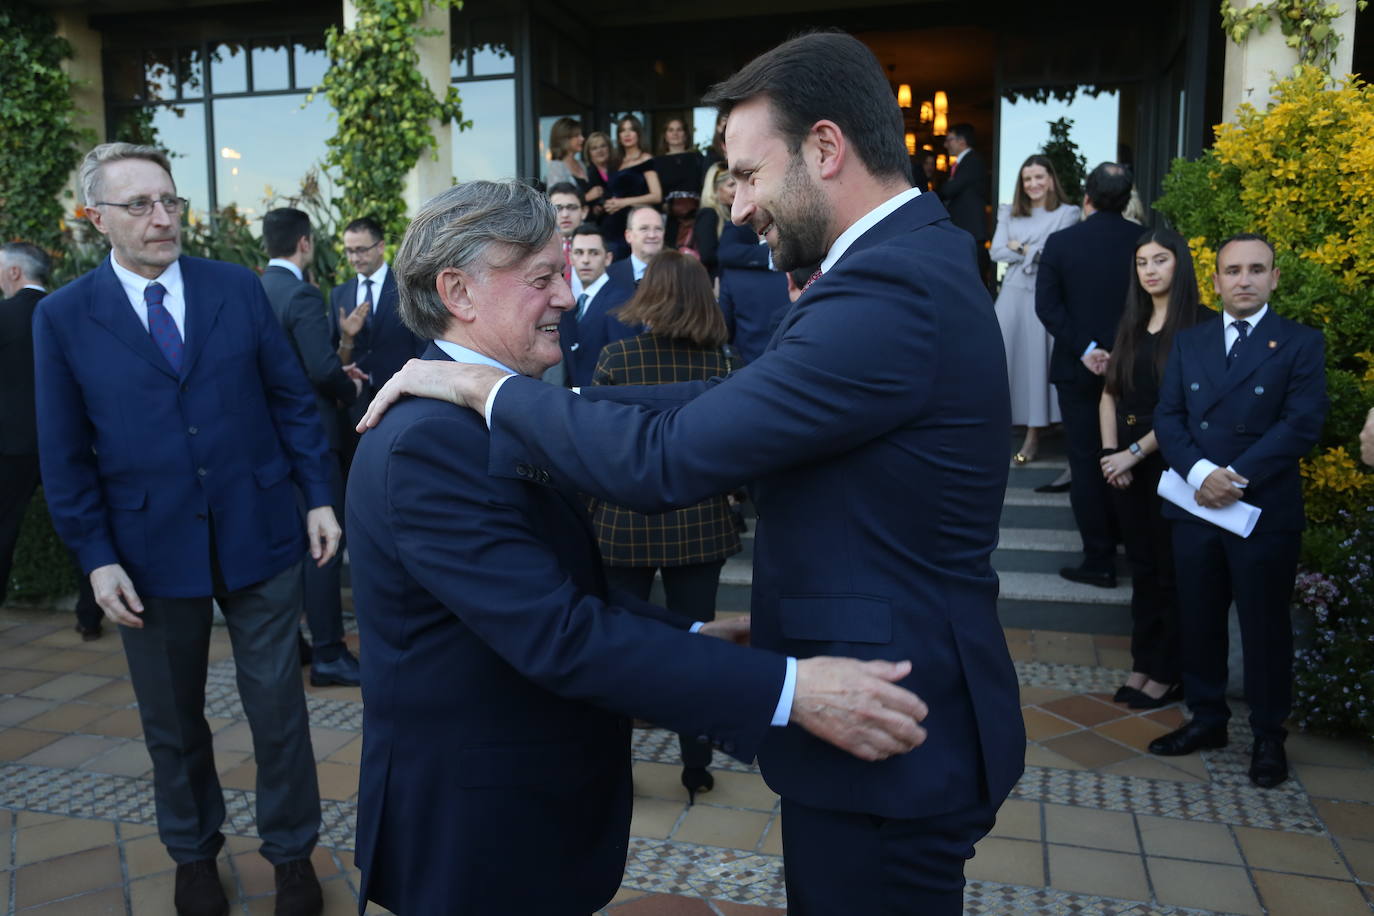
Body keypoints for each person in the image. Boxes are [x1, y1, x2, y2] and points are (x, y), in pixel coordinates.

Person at [360, 31, 1025, 914]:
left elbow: (671, 456)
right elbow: (562, 621)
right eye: (542, 276)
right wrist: (740, 665)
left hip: (891, 722)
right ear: (457, 292)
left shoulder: (886, 286)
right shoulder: (425, 441)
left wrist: (488, 388)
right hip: (479, 831)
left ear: (825, 148)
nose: (736, 206)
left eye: (746, 175)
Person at [34, 142, 337, 916]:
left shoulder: (235, 289)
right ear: (94, 218)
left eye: (169, 200)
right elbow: (64, 453)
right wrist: (95, 557)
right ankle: (194, 853)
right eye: (138, 205)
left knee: (278, 709)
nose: (162, 217)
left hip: (262, 530)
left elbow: (293, 401)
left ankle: (291, 856)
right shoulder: (63, 317)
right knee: (172, 720)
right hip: (145, 553)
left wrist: (317, 496)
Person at [1149, 233, 1328, 789]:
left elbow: (1300, 425)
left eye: (1256, 269)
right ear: (1217, 279)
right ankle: (1207, 720)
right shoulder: (1190, 341)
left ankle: (1269, 736)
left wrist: (1235, 477)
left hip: (1262, 509)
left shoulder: (1300, 342)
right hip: (1196, 504)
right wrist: (1202, 475)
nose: (1244, 279)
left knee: (1264, 627)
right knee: (1199, 619)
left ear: (1274, 277)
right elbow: (1169, 415)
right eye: (1233, 270)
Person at [591, 250, 744, 801]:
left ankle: (610, 764)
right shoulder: (723, 366)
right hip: (699, 522)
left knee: (615, 648)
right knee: (698, 646)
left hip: (621, 521)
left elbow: (597, 449)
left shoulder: (616, 358)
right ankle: (697, 763)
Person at [1097, 229, 1209, 710]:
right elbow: (1109, 394)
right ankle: (1143, 665)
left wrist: (1133, 453)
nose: (1150, 270)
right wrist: (1110, 455)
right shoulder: (1132, 321)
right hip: (1125, 463)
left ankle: (1168, 672)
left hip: (1170, 461)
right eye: (1142, 262)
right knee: (1141, 569)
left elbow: (1181, 409)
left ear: (1179, 265)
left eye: (1160, 260)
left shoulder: (1199, 325)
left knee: (1169, 572)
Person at [260, 208, 364, 689]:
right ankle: (327, 651)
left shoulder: (255, 289)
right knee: (325, 541)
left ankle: (296, 641)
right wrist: (352, 392)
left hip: (269, 437)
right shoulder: (300, 293)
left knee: (294, 541)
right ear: (304, 243)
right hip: (313, 436)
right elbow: (320, 370)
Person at [1036, 162, 1139, 588]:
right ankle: (1133, 548)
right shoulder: (1146, 242)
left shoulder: (1060, 243)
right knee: (1131, 456)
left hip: (1078, 369)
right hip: (1135, 370)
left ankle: (1098, 560)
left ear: (1087, 198)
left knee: (1085, 459)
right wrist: (1120, 353)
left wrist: (1087, 349)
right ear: (1128, 198)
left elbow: (1048, 307)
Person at [0, 243, 102, 636]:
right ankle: (90, 616)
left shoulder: (4, 315)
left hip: (13, 444)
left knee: (3, 530)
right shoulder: (71, 312)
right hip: (71, 438)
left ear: (14, 273)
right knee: (84, 527)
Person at [992, 154, 1081, 465]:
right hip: (1013, 294)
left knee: (1037, 363)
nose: (1033, 184)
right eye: (1027, 179)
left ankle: (1033, 433)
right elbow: (996, 251)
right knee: (1002, 358)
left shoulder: (1068, 213)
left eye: (1039, 177)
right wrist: (1033, 250)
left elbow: (1056, 253)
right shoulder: (1009, 212)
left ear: (1051, 179)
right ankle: (998, 428)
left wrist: (1020, 247)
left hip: (1045, 294)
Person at [331, 216, 426, 449]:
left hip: (403, 402)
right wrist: (348, 337)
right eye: (349, 251)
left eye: (361, 250)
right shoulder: (339, 294)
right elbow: (334, 358)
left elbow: (423, 345)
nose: (354, 258)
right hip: (355, 409)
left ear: (381, 246)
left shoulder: (406, 288)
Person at [557, 222, 618, 386]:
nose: (585, 260)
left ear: (608, 258)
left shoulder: (622, 303)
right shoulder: (569, 304)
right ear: (570, 258)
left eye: (594, 253)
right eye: (579, 253)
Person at [602, 115, 662, 259]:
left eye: (631, 130)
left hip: (635, 223)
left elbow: (656, 195)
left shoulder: (646, 159)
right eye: (623, 131)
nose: (627, 134)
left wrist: (623, 202)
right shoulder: (615, 162)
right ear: (618, 135)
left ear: (638, 133)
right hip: (612, 225)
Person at [939, 123, 990, 285]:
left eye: (949, 139)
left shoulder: (972, 160)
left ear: (962, 141)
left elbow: (950, 189)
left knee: (971, 282)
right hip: (964, 232)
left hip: (970, 232)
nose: (946, 144)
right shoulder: (963, 163)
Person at [655, 116, 705, 249]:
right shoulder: (657, 162)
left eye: (679, 130)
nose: (675, 133)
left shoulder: (697, 158)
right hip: (669, 217)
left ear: (685, 134)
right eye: (670, 130)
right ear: (665, 135)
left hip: (696, 214)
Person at [547, 182, 588, 297]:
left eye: (571, 208)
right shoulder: (538, 250)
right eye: (558, 208)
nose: (565, 214)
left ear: (584, 212)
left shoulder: (601, 248)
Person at [692, 165, 734, 278]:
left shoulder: (730, 212)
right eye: (731, 185)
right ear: (715, 189)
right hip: (715, 281)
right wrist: (737, 254)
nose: (737, 189)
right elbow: (707, 255)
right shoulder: (708, 214)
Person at [544, 116, 589, 195]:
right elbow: (557, 200)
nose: (582, 139)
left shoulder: (581, 164)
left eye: (581, 135)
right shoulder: (556, 166)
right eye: (576, 135)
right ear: (564, 139)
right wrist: (588, 197)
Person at [582, 129, 616, 225]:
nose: (599, 151)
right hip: (598, 224)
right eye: (594, 148)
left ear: (609, 148)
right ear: (589, 153)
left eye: (603, 146)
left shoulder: (619, 168)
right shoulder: (585, 175)